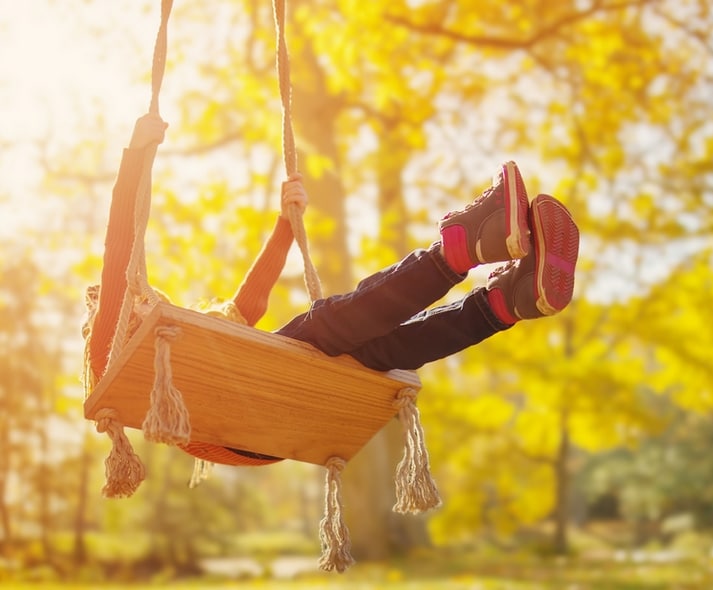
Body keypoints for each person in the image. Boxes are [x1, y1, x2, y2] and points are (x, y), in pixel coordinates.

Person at [84, 113, 579, 465]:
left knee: (382, 351)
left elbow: (249, 304)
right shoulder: (112, 338)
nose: (148, 298)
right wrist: (135, 157)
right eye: (141, 298)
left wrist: (284, 226)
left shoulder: (200, 341)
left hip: (268, 426)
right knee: (321, 326)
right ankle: (463, 245)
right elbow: (118, 249)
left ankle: (502, 303)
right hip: (240, 421)